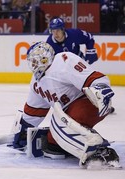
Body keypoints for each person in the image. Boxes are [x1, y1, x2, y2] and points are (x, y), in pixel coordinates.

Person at [12, 41, 120, 169]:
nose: (34, 63)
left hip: (88, 102)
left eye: (37, 58)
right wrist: (23, 130)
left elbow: (91, 77)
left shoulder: (63, 60)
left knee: (60, 125)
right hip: (67, 113)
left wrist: (100, 88)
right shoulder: (36, 82)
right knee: (53, 142)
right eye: (32, 61)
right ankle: (78, 144)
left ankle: (101, 151)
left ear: (46, 55)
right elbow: (34, 111)